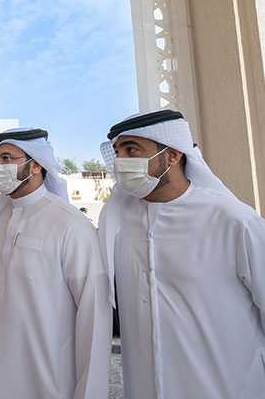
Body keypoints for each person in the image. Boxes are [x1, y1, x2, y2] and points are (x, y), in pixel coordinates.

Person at [98, 110, 265, 398]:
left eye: (132, 150)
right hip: (143, 386)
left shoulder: (232, 219)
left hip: (224, 385)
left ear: (173, 156)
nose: (120, 161)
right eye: (117, 151)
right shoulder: (117, 220)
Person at [0, 128, 111, 399]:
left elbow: (94, 317)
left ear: (36, 164)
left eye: (7, 158)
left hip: (48, 375)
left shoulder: (69, 224)